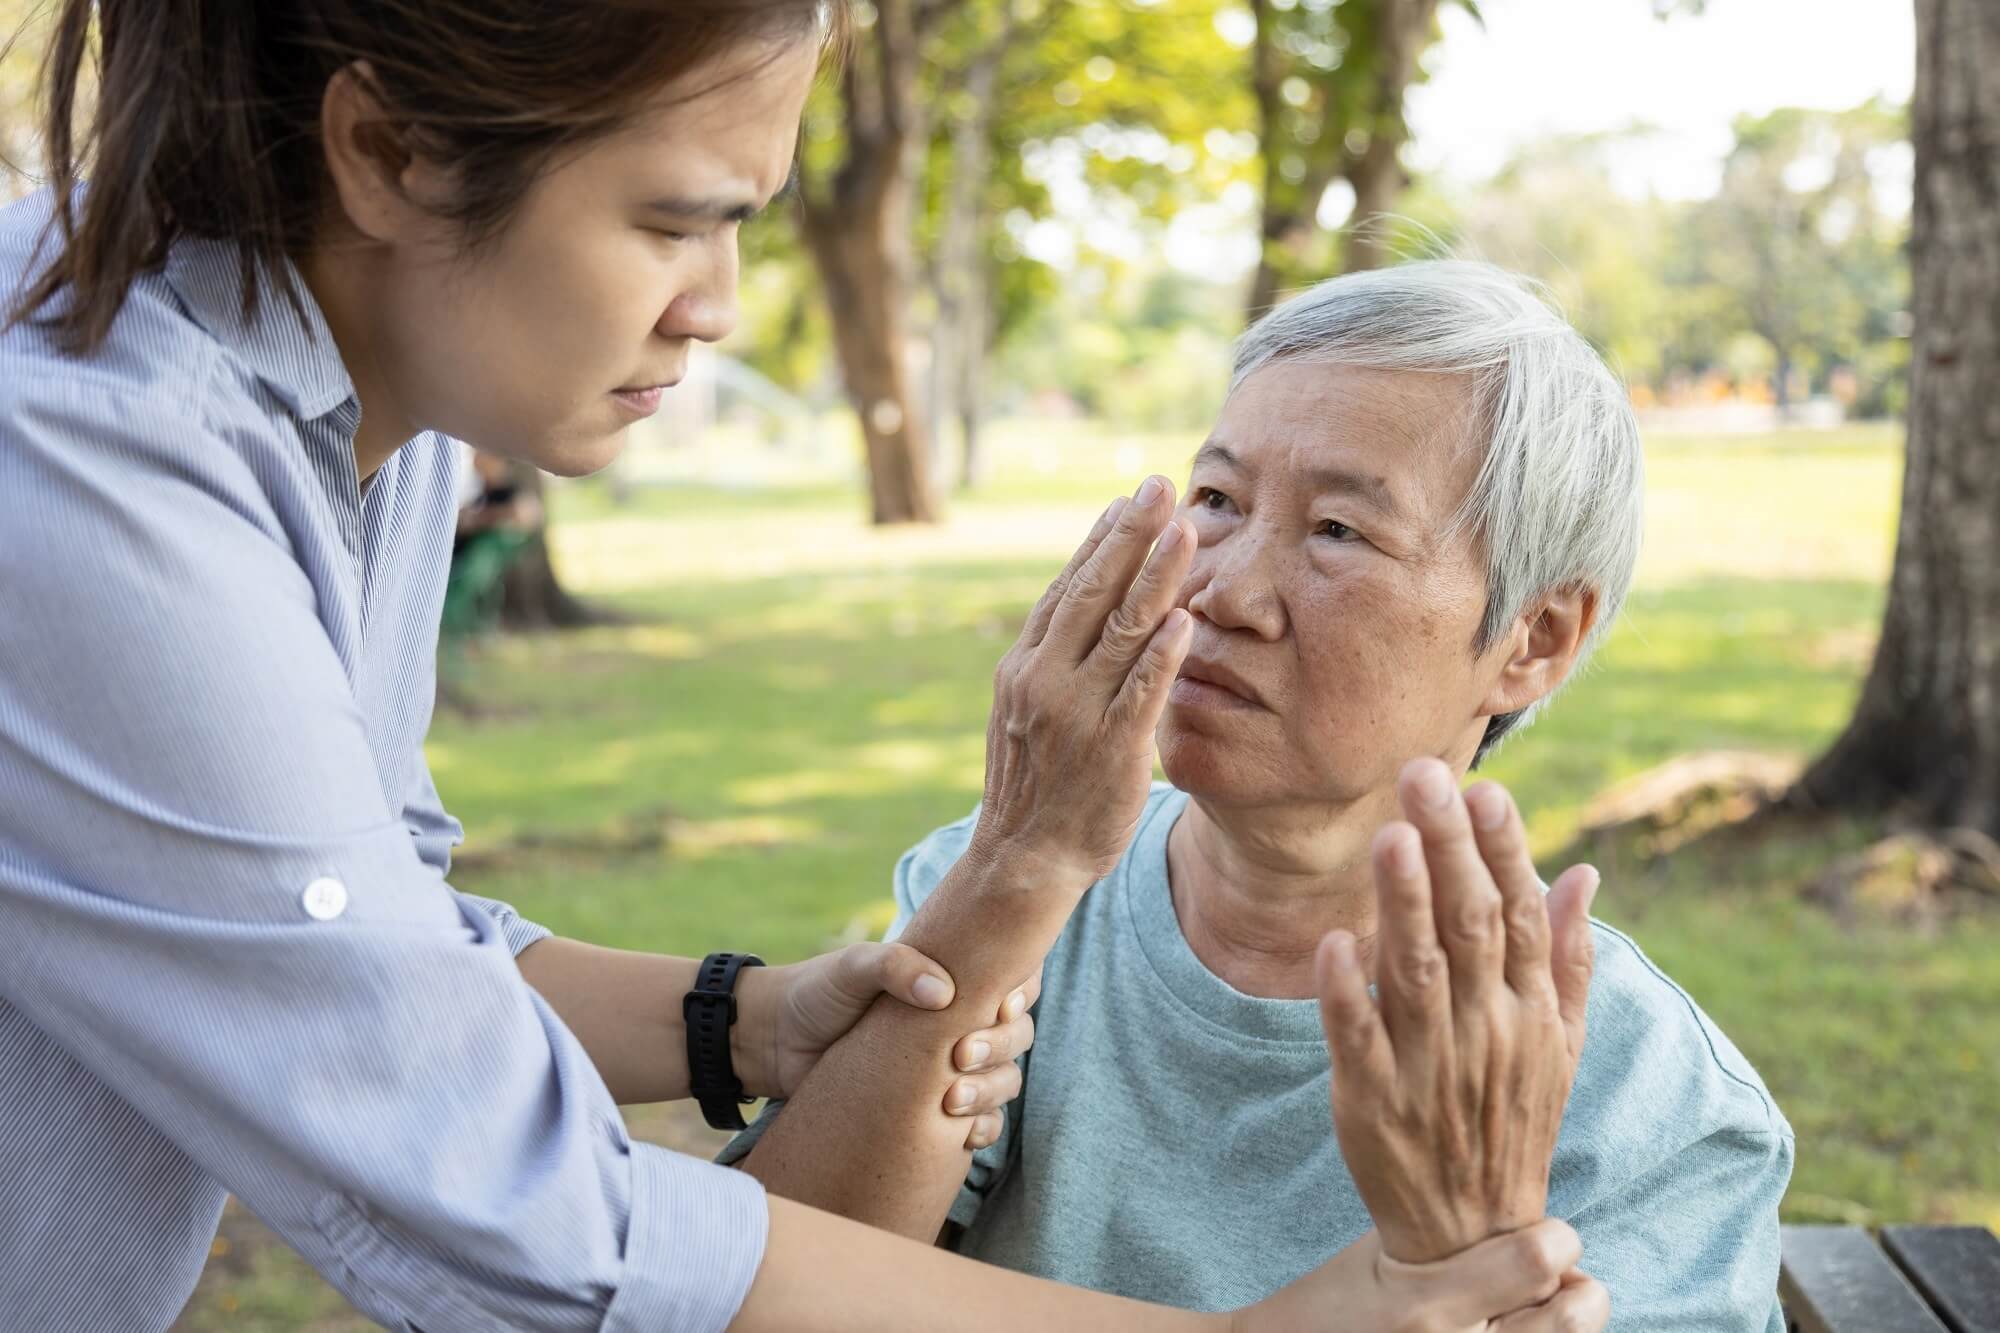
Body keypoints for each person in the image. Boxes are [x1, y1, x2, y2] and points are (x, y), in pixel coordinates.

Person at [1, 2, 1602, 1329]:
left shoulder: (381, 400)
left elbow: (373, 935)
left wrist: (741, 1021)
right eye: (672, 221)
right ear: (390, 153)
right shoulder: (91, 472)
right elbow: (513, 1214)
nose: (719, 311)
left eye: (743, 225)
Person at [724, 265, 1795, 1329]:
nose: (1219, 588)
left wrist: (1465, 1256)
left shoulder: (1650, 1106)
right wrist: (1013, 870)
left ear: (1534, 639)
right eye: (1217, 500)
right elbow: (756, 1296)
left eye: (1337, 530)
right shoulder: (1012, 889)